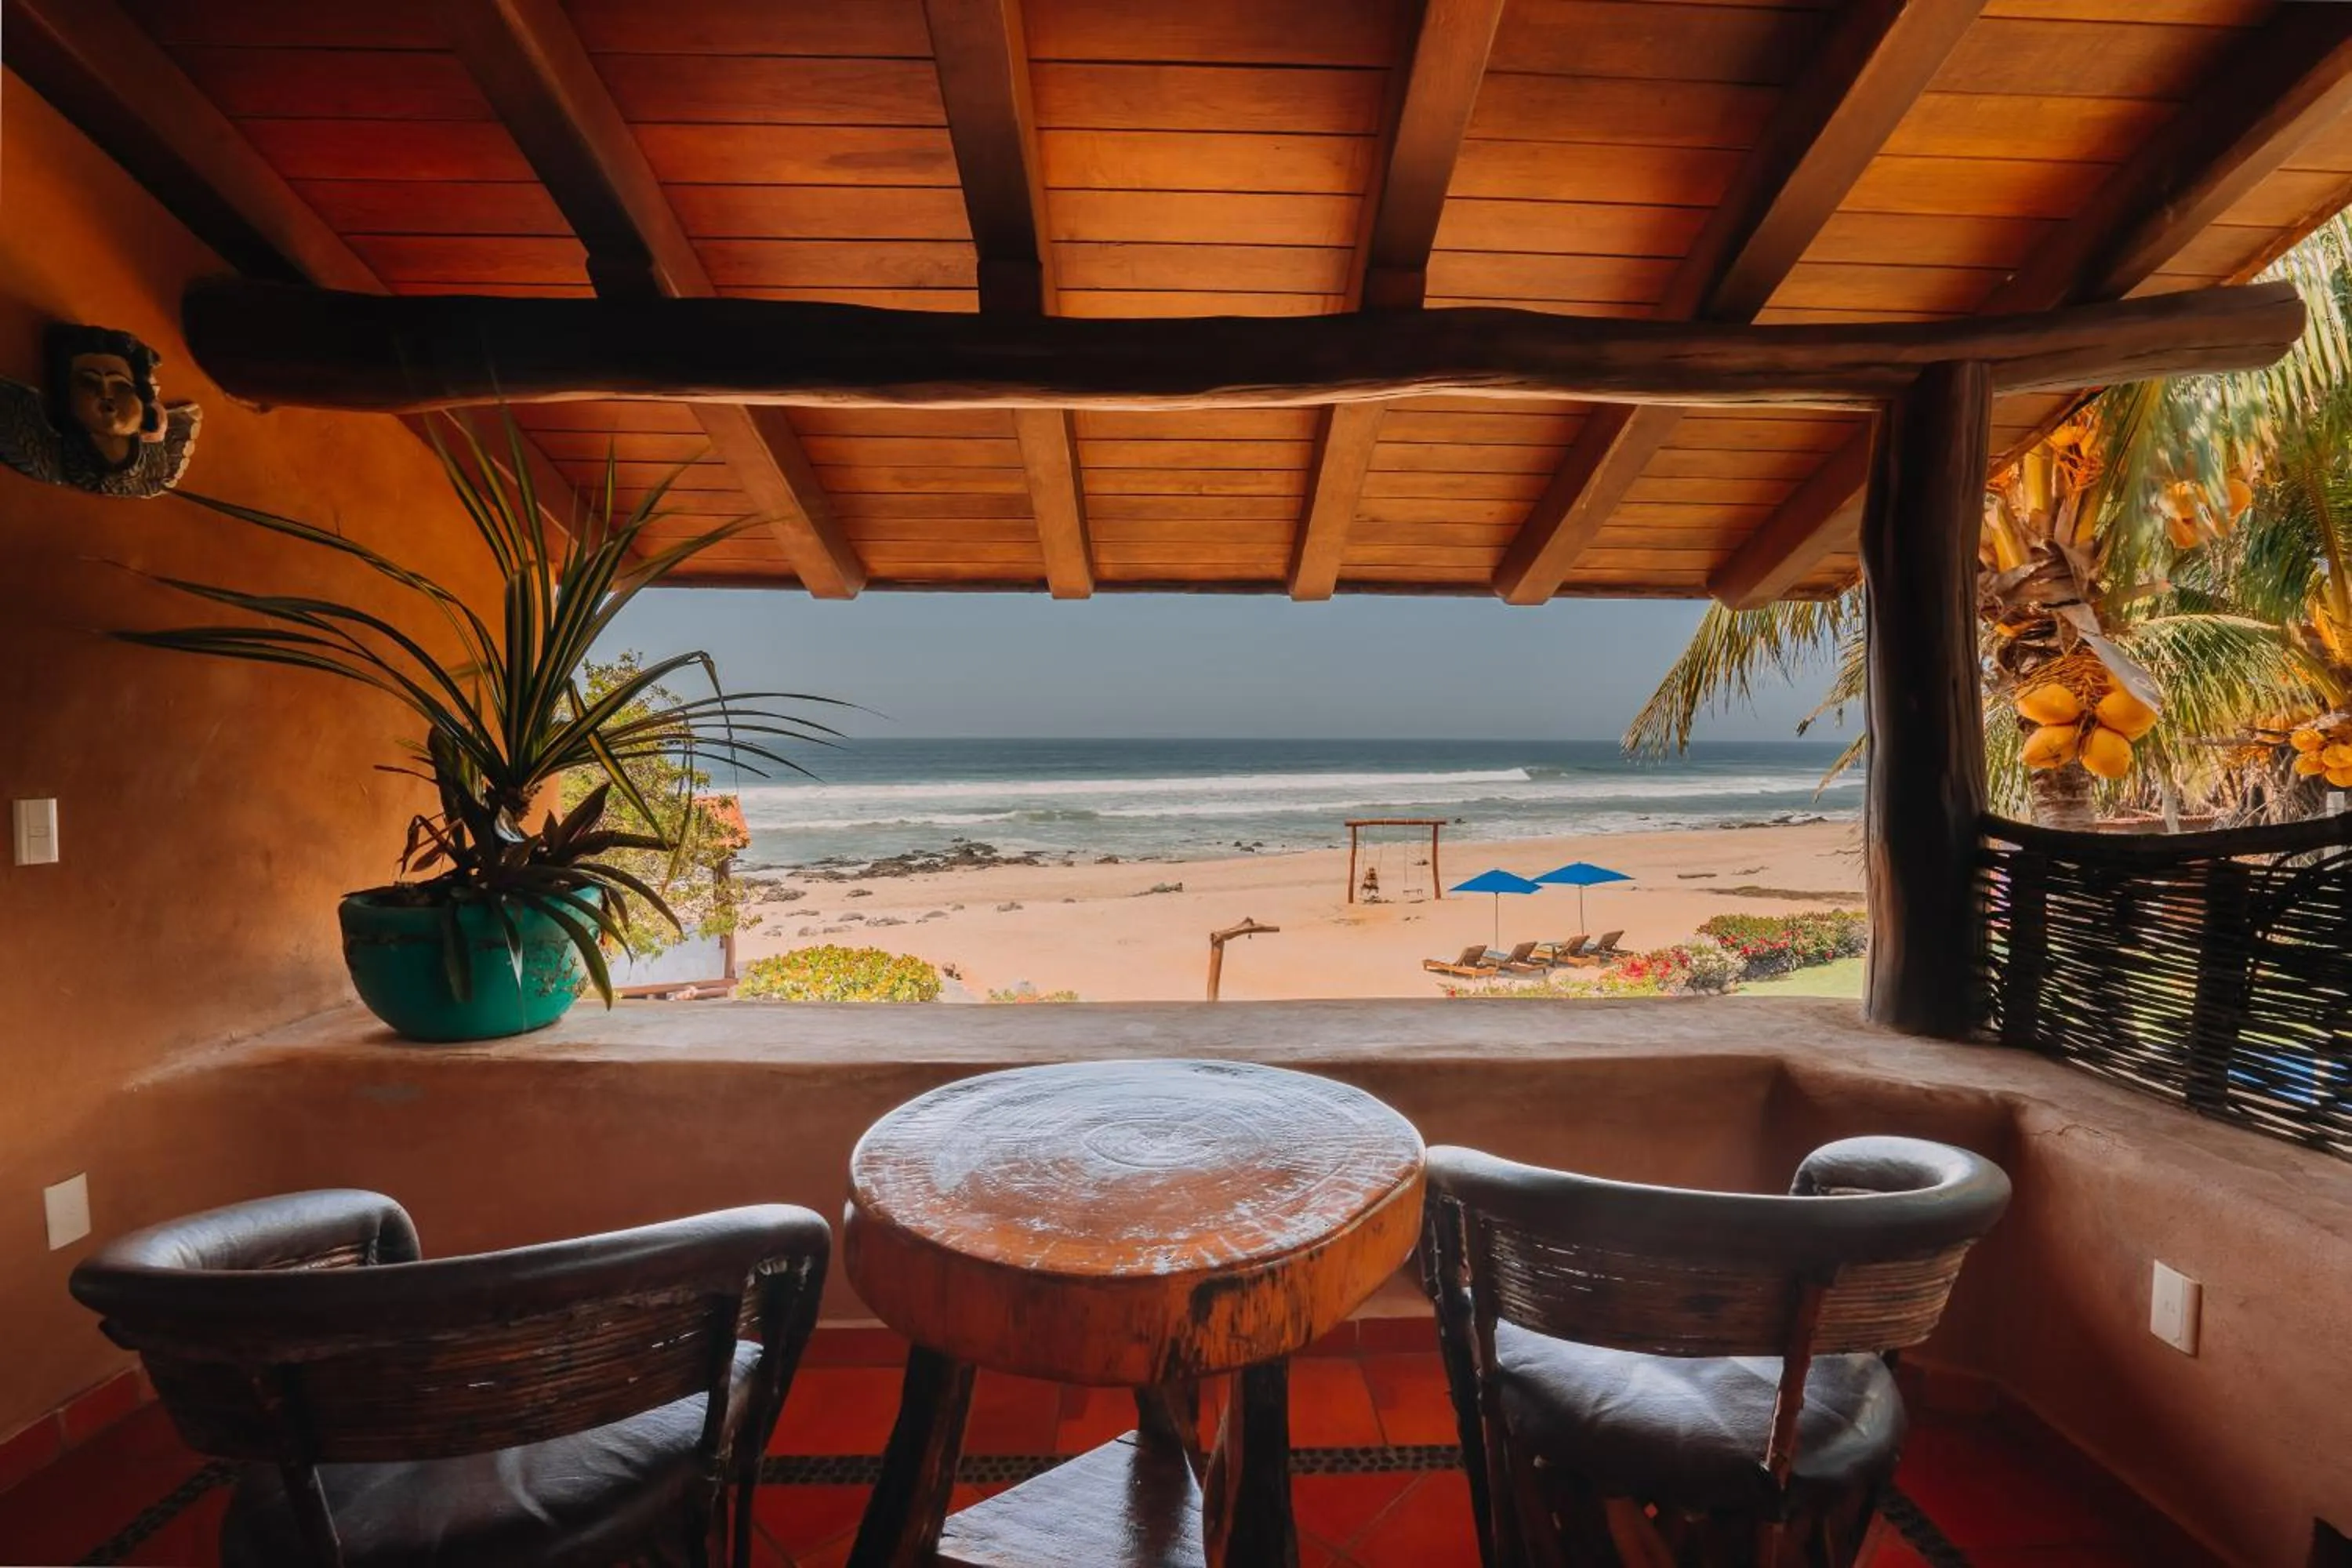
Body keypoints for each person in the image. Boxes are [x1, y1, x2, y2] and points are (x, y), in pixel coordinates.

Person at [0, 322, 199, 497]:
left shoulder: (154, 470)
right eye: (89, 383)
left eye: (122, 387)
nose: (106, 393)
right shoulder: (40, 447)